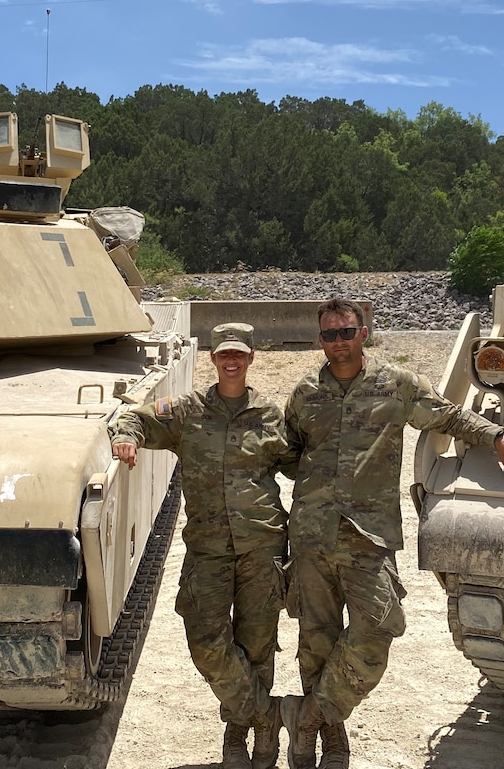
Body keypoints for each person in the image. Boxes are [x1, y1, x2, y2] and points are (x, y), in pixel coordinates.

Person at [280, 299, 504, 769]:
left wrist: (497, 438)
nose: (338, 342)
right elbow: (289, 453)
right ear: (319, 340)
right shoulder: (303, 394)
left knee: (380, 628)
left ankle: (310, 716)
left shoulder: (395, 384)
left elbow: (447, 416)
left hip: (369, 537)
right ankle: (329, 741)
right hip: (312, 535)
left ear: (364, 333)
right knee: (316, 640)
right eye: (329, 335)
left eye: (346, 332)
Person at [109, 322, 293, 769]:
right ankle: (262, 715)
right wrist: (126, 437)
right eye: (224, 353)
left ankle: (241, 736)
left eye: (240, 354)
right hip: (208, 547)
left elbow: (301, 465)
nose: (232, 361)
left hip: (262, 544)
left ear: (251, 358)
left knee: (257, 644)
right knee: (207, 642)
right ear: (213, 358)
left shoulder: (270, 413)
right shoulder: (187, 410)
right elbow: (134, 414)